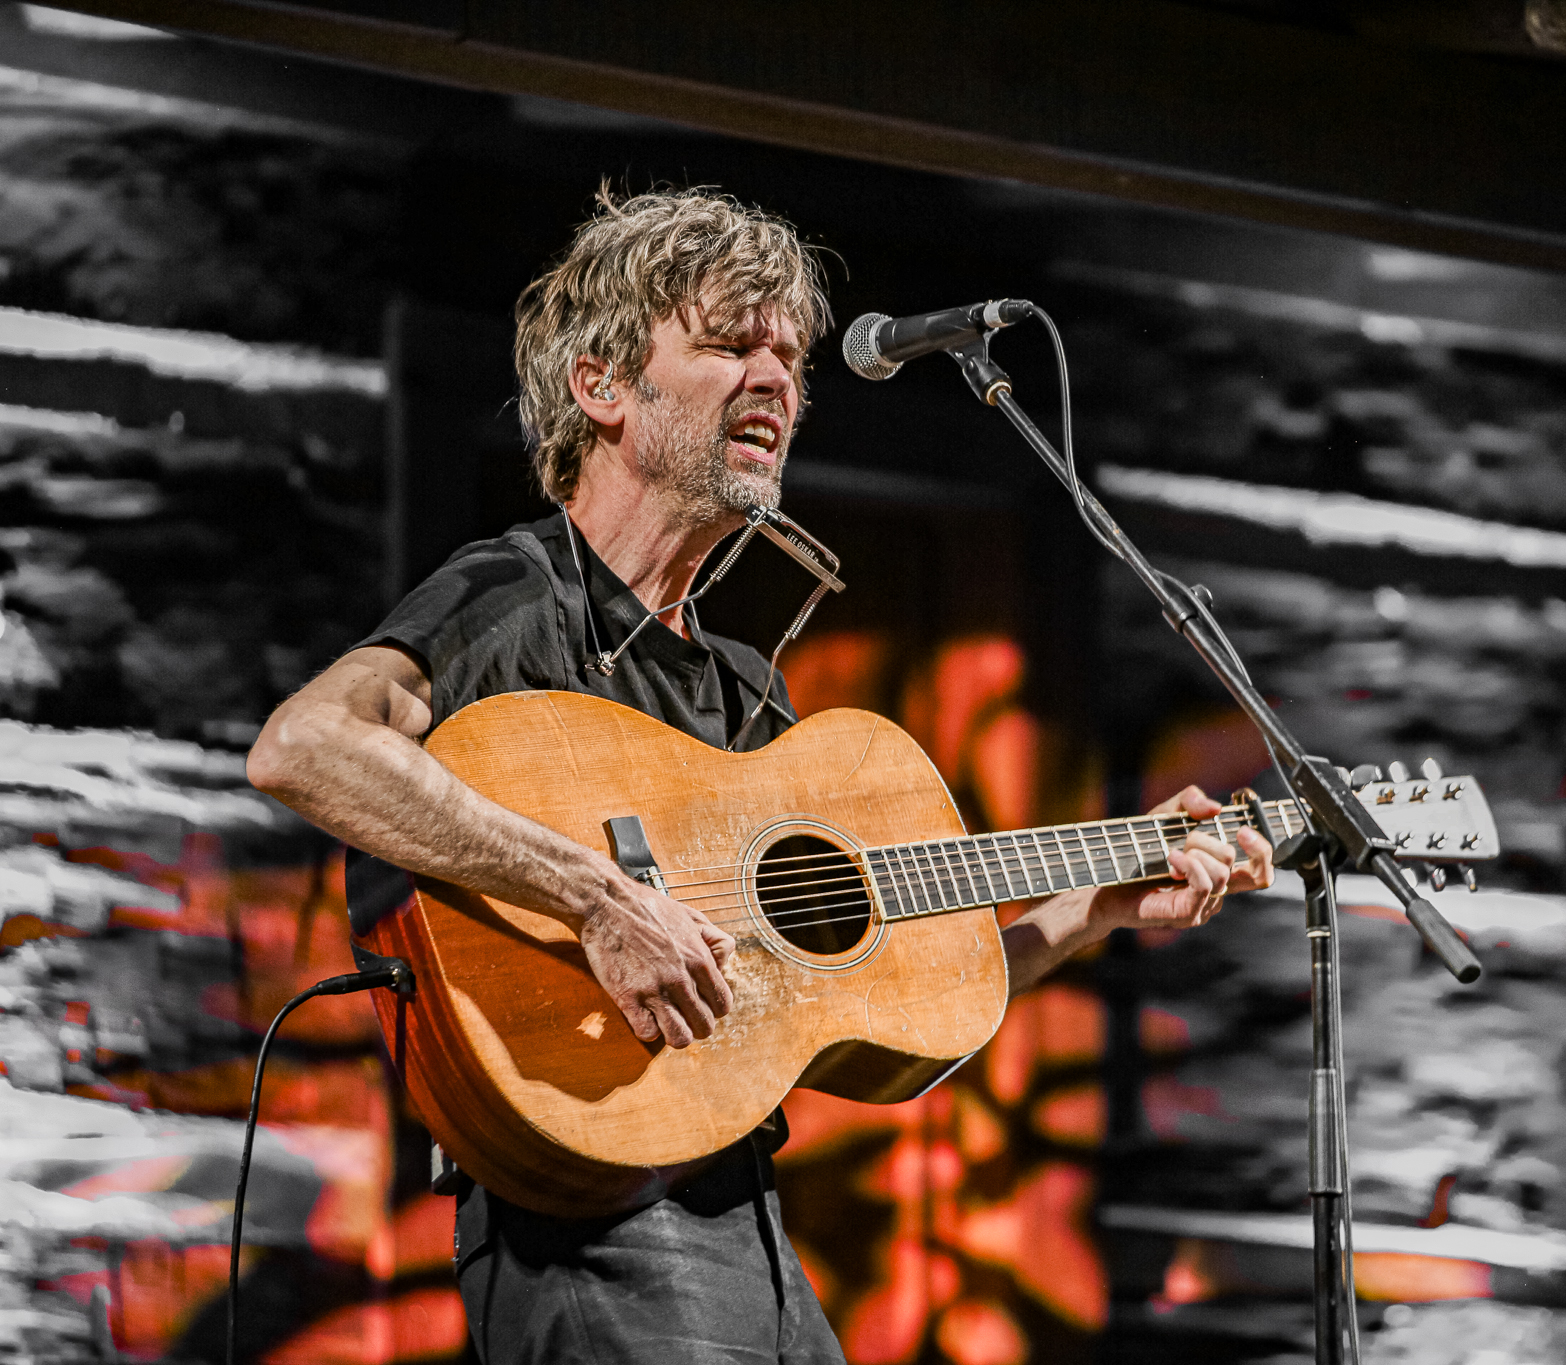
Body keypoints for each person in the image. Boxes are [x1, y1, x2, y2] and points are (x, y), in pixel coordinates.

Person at [245, 186, 1274, 1364]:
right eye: (729, 345)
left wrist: (1093, 908)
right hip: (589, 1220)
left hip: (743, 1222)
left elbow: (881, 996)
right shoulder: (519, 592)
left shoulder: (745, 694)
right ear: (602, 386)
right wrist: (598, 898)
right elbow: (307, 748)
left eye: (787, 354)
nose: (777, 379)